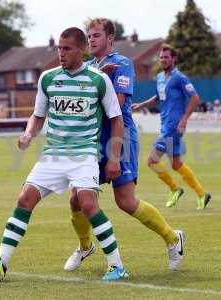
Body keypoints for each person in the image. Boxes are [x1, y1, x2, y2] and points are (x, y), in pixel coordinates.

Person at [0, 27, 129, 282]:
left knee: (88, 204)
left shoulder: (98, 79)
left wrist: (113, 158)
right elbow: (38, 115)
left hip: (84, 154)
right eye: (59, 48)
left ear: (81, 49)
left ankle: (117, 266)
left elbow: (117, 119)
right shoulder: (48, 79)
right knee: (24, 198)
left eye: (67, 48)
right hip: (53, 155)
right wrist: (28, 134)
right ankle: (1, 262)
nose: (61, 53)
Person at [63, 18, 185, 273]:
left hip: (121, 137)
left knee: (126, 201)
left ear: (109, 38)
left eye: (96, 35)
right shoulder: (87, 67)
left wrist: (96, 83)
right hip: (92, 139)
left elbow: (114, 106)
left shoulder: (122, 64)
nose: (91, 39)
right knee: (76, 199)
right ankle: (85, 246)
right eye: (89, 35)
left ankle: (173, 238)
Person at [132, 43, 211, 210]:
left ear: (173, 59)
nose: (163, 59)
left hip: (174, 126)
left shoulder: (179, 77)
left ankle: (175, 189)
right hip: (165, 124)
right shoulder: (160, 77)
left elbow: (195, 98)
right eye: (161, 57)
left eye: (166, 57)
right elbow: (158, 98)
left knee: (152, 160)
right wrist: (141, 104)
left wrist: (184, 119)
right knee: (176, 164)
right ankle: (202, 194)